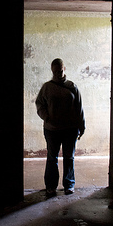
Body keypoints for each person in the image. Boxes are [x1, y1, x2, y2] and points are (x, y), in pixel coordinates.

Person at [35, 58, 85, 197]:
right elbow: (39, 104)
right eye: (55, 72)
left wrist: (82, 126)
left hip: (70, 129)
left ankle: (69, 185)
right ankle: (51, 186)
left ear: (65, 69)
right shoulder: (47, 87)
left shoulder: (72, 87)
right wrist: (47, 117)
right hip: (52, 129)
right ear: (52, 71)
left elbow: (79, 108)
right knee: (52, 158)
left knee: (69, 157)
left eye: (60, 71)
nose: (58, 74)